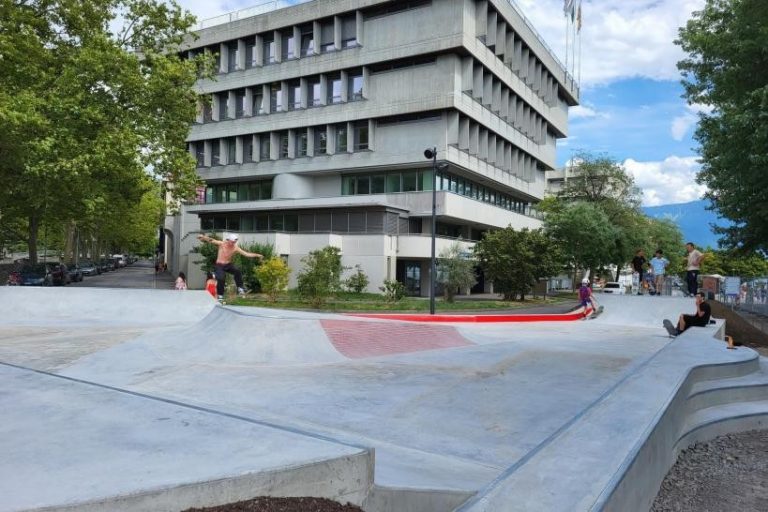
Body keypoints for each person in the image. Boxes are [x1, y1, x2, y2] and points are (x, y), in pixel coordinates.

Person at [196, 232, 263, 300]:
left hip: (228, 265)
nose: (233, 244)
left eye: (234, 242)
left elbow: (246, 254)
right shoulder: (222, 244)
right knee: (221, 278)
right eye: (232, 242)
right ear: (228, 240)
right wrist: (203, 237)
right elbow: (211, 240)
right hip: (219, 265)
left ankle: (240, 288)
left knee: (237, 271)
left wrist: (257, 255)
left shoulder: (235, 248)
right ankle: (220, 295)